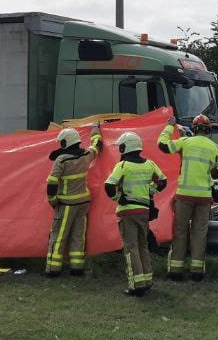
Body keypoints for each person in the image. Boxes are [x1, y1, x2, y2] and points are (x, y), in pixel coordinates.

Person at [157, 114, 218, 282]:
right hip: (204, 197)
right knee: (199, 233)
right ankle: (197, 271)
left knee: (180, 231)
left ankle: (176, 271)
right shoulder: (214, 147)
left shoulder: (185, 142)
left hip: (184, 196)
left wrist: (170, 126)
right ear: (208, 130)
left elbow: (162, 145)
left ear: (194, 128)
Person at [104, 131, 167, 296]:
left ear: (126, 147)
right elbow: (163, 181)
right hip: (144, 211)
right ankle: (147, 281)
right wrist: (150, 191)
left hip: (127, 212)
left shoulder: (123, 166)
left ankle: (136, 285)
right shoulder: (150, 164)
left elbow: (109, 185)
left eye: (121, 146)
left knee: (131, 247)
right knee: (143, 245)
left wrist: (118, 198)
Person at [44, 123, 102, 277]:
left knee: (59, 236)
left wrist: (53, 201)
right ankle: (77, 268)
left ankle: (53, 269)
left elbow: (52, 183)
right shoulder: (86, 155)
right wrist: (96, 129)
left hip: (66, 204)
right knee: (78, 235)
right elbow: (97, 145)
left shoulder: (62, 160)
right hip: (83, 203)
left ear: (66, 143)